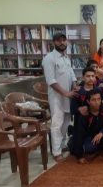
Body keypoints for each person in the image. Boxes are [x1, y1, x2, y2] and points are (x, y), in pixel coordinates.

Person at [42, 33, 78, 162]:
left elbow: (72, 74)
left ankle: (61, 145)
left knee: (66, 124)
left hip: (69, 97)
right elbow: (50, 80)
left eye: (64, 40)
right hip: (58, 97)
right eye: (59, 41)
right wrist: (65, 93)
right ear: (53, 43)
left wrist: (74, 86)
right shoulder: (49, 59)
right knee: (57, 124)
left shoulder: (66, 57)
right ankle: (56, 152)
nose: (62, 42)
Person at [72, 89, 103, 164]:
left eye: (99, 99)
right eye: (93, 100)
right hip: (90, 136)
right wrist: (79, 156)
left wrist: (102, 133)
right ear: (88, 101)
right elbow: (79, 134)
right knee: (88, 148)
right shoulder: (84, 115)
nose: (97, 102)